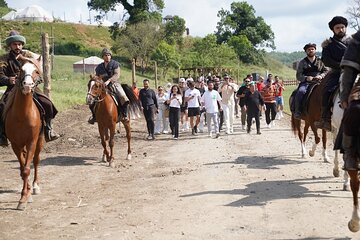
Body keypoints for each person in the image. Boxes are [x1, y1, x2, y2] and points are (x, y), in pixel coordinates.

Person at [0, 30, 60, 146]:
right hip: (12, 88)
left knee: (47, 103)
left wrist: (34, 81)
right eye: (14, 44)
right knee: (1, 106)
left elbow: (38, 73)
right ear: (10, 45)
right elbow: (0, 75)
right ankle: (2, 135)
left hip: (30, 86)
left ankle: (48, 129)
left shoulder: (29, 57)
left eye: (19, 44)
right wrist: (8, 80)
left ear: (22, 45)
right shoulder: (3, 59)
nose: (17, 46)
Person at [315, 16, 351, 131]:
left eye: (342, 27)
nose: (341, 29)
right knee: (327, 90)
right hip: (336, 72)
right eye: (338, 28)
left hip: (354, 71)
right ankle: (325, 119)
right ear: (333, 30)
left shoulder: (354, 42)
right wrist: (342, 65)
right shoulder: (328, 44)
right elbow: (326, 60)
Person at [88, 48, 130, 124]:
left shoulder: (115, 64)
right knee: (92, 99)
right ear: (103, 57)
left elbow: (117, 74)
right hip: (102, 85)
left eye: (109, 55)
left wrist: (109, 80)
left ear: (110, 56)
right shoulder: (99, 67)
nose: (107, 56)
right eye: (105, 55)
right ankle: (94, 116)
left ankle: (124, 115)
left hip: (114, 84)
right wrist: (94, 78)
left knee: (124, 98)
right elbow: (97, 76)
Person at [338, 29, 360, 171]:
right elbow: (349, 71)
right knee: (354, 110)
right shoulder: (358, 40)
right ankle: (350, 152)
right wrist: (345, 95)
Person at [294, 43, 329, 119]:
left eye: (312, 49)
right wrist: (306, 78)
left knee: (328, 91)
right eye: (309, 50)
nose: (311, 51)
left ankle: (328, 112)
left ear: (315, 50)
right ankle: (298, 111)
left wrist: (321, 76)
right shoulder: (302, 62)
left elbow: (326, 71)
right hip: (306, 82)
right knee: (300, 92)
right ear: (306, 51)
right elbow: (298, 75)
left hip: (319, 81)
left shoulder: (320, 61)